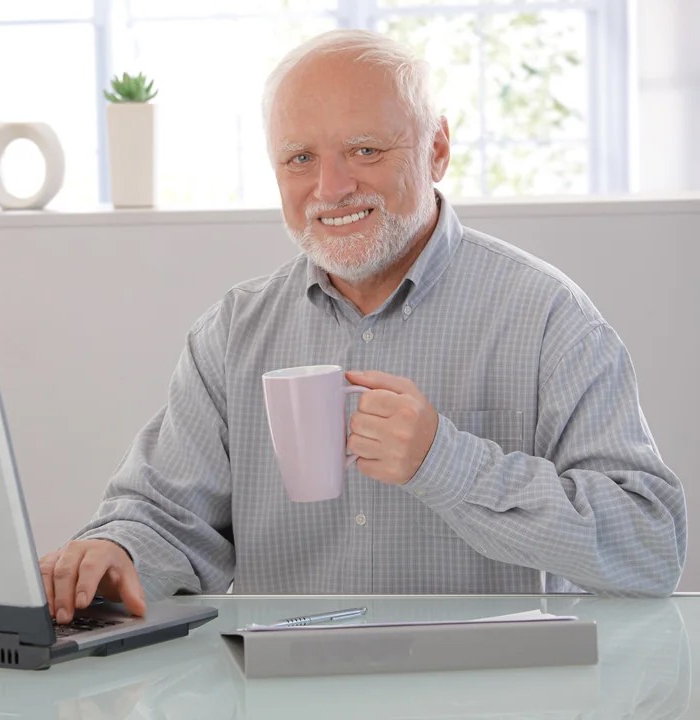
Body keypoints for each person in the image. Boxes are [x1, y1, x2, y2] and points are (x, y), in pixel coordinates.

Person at [40, 29, 687, 624]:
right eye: (298, 159)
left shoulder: (549, 318)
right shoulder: (232, 333)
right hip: (284, 692)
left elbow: (650, 550)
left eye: (365, 150)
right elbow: (169, 520)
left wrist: (445, 461)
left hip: (492, 692)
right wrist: (115, 551)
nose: (331, 186)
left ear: (437, 150)